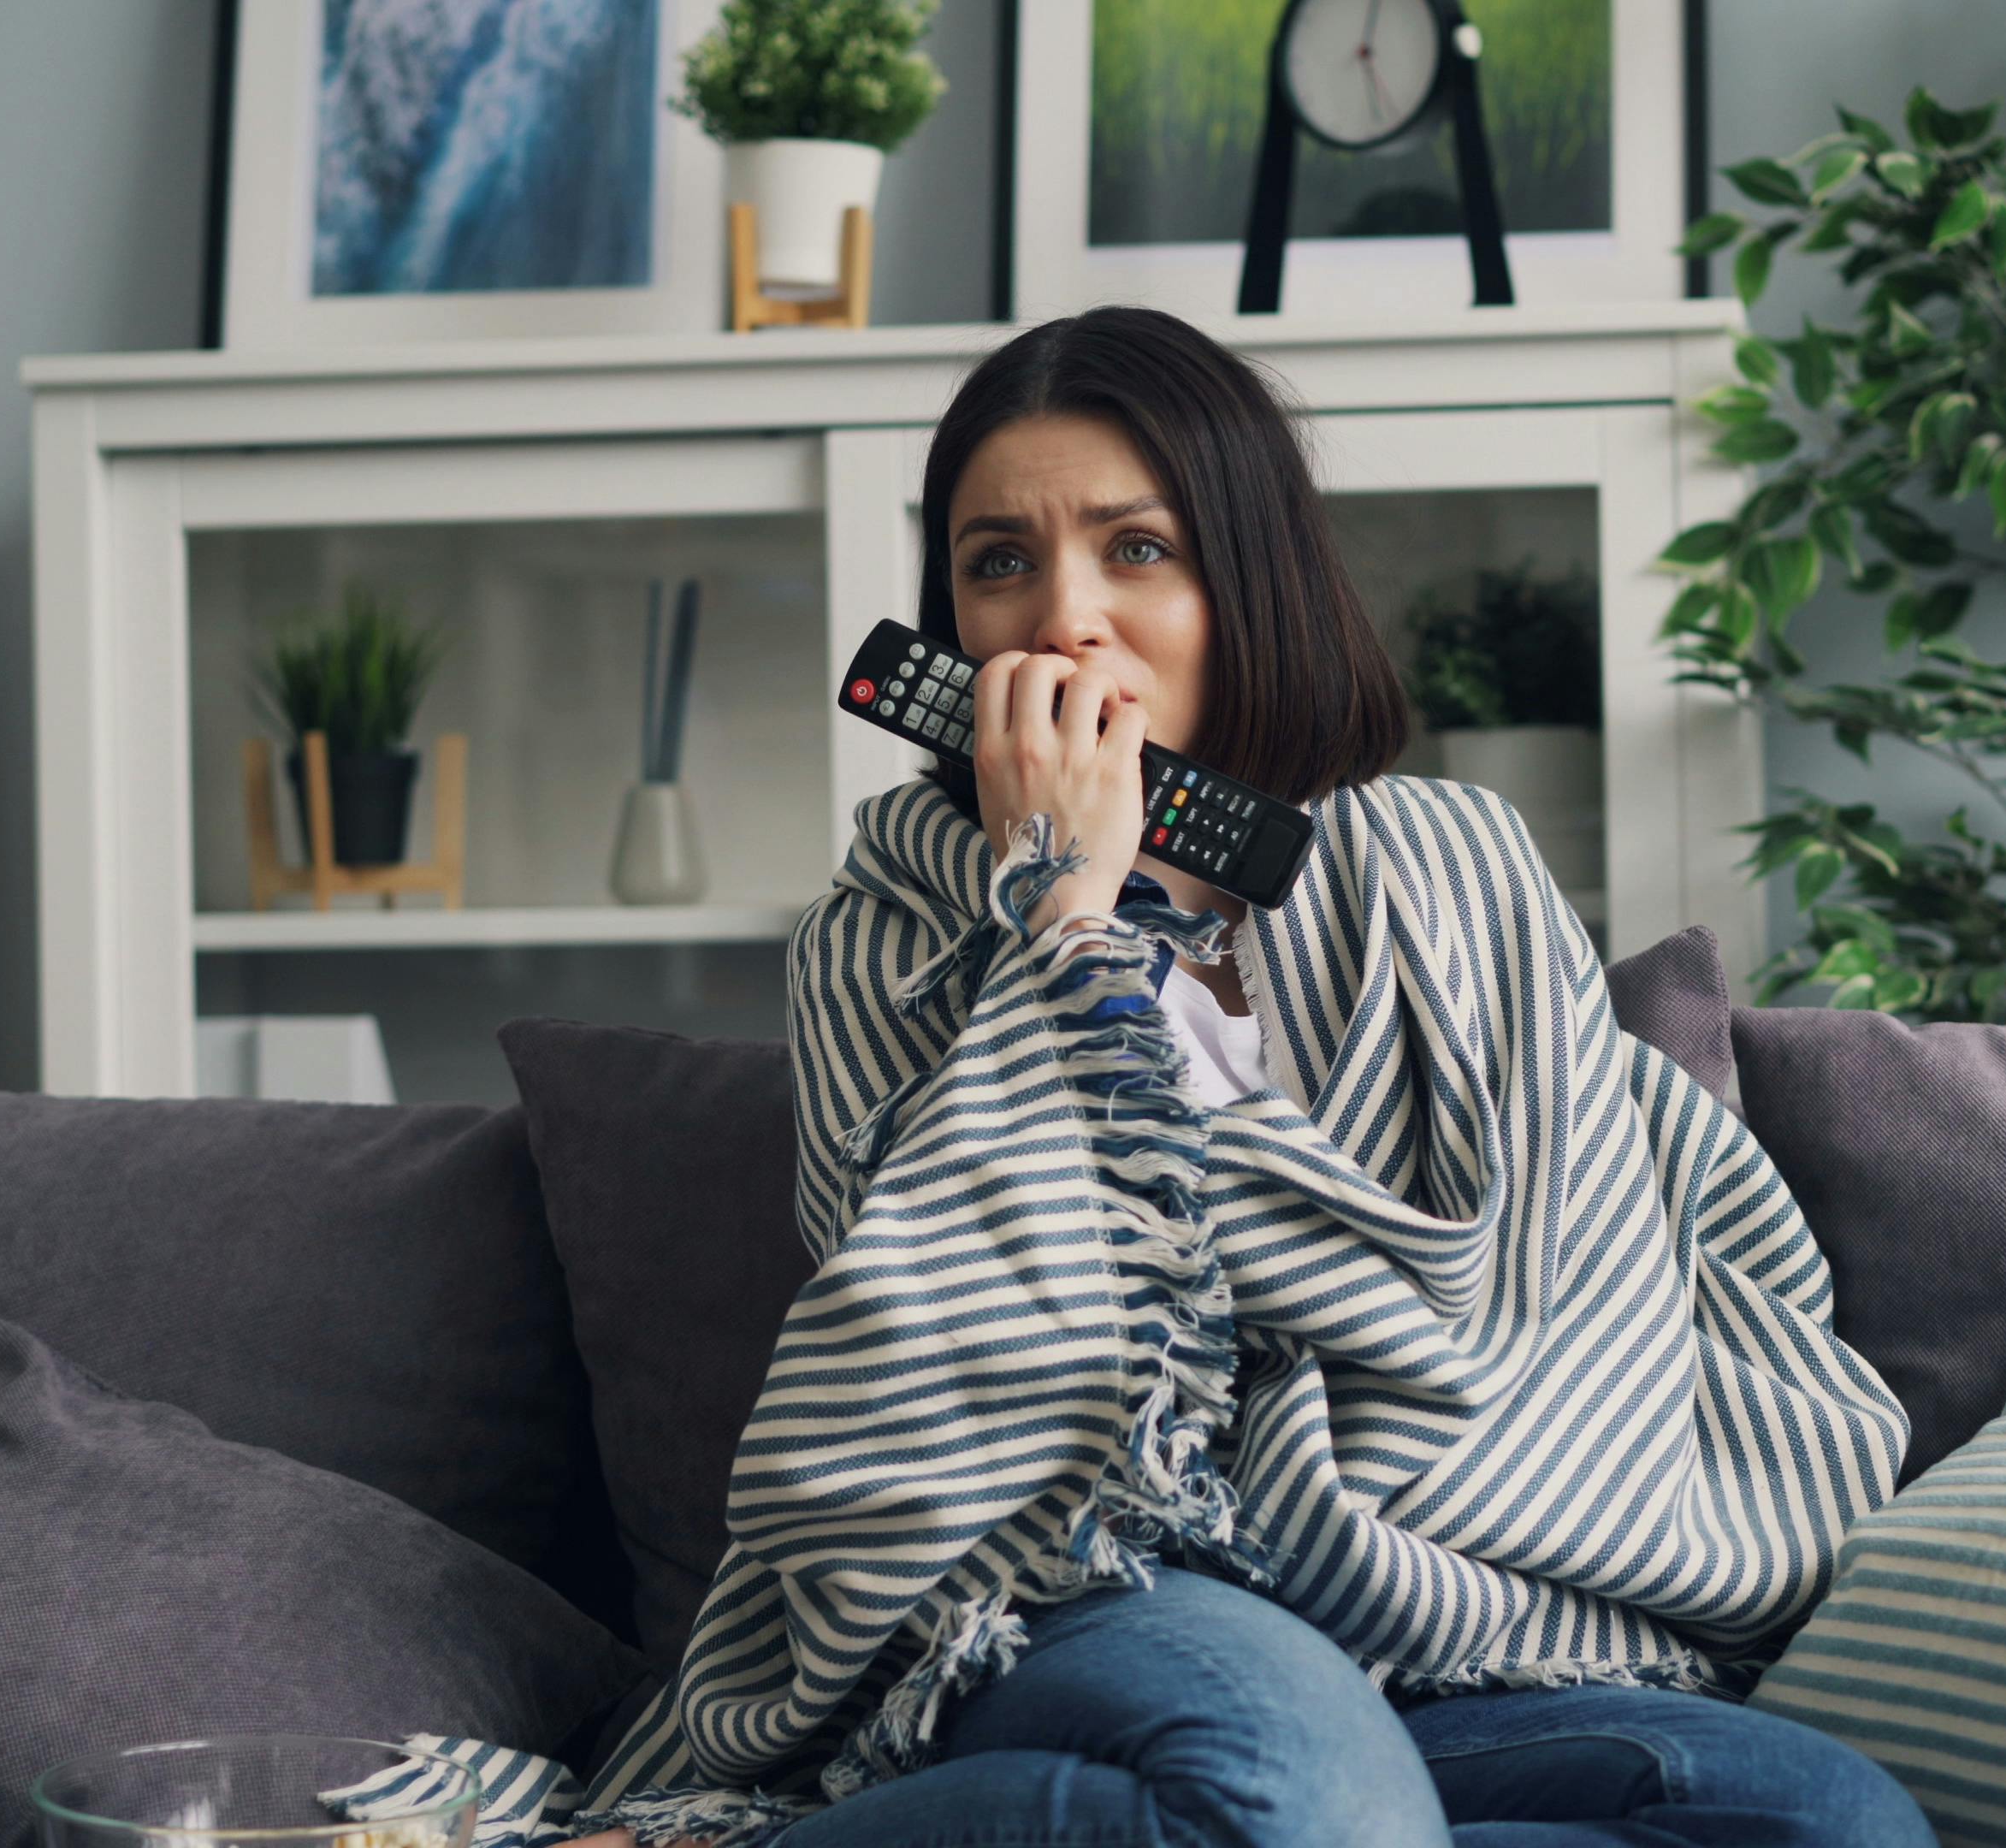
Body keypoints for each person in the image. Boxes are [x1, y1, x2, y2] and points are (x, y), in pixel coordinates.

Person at [555, 305, 1932, 1848]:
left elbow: (1543, 1294)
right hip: (1079, 1575)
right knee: (1302, 1790)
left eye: (1136, 550)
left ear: (1248, 580)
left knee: (1822, 1814)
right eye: (998, 562)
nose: (1062, 621)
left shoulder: (1452, 866)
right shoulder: (883, 936)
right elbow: (935, 1344)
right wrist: (1059, 908)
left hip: (1449, 1607)